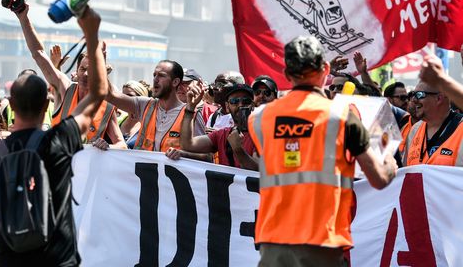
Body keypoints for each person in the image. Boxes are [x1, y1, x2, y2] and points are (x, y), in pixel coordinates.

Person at [0, 6, 107, 267]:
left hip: (9, 260)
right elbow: (99, 92)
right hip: (57, 260)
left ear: (10, 104)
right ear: (47, 105)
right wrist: (91, 35)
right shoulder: (59, 139)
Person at [248, 36, 396, 267]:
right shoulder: (342, 116)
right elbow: (378, 178)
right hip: (321, 244)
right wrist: (389, 161)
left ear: (287, 74)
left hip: (273, 242)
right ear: (325, 69)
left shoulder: (258, 118)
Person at [14, 4, 125, 150]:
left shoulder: (107, 105)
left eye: (91, 70)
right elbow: (38, 54)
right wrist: (23, 18)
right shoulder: (65, 88)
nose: (85, 74)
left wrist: (108, 146)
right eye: (82, 69)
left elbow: (122, 145)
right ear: (76, 71)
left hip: (86, 171)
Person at [106, 59, 209, 161]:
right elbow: (110, 95)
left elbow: (207, 158)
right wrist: (99, 61)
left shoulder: (191, 115)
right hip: (144, 174)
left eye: (161, 75)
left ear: (175, 82)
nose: (155, 79)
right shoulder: (145, 105)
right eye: (154, 75)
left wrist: (183, 154)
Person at [179, 82, 258, 169]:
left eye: (246, 101)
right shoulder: (222, 134)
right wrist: (190, 108)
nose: (240, 105)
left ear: (253, 106)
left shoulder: (263, 134)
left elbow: (259, 169)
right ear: (227, 107)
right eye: (234, 101)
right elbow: (187, 144)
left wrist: (238, 149)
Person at [399, 74, 463, 167]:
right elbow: (406, 172)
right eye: (413, 94)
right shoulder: (415, 130)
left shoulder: (460, 129)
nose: (413, 100)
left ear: (439, 98)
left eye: (419, 95)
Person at [118, 80, 149, 149]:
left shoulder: (149, 124)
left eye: (130, 96)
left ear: (141, 99)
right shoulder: (117, 120)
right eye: (123, 96)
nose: (124, 99)